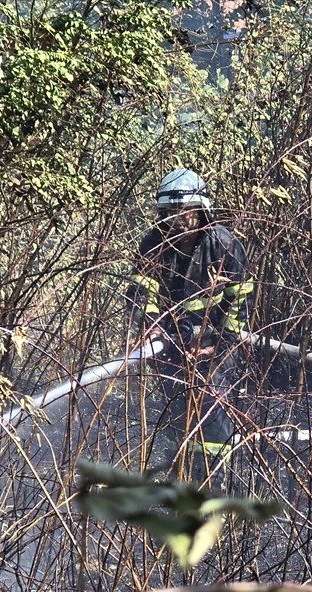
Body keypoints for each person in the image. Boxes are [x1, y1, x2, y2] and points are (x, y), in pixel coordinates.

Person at [127, 168, 254, 483]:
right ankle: (179, 480)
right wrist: (151, 326)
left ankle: (213, 483)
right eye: (170, 212)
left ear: (202, 211)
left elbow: (240, 302)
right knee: (176, 414)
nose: (178, 220)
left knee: (212, 414)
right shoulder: (153, 245)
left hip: (216, 350)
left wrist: (218, 346)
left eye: (185, 211)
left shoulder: (224, 245)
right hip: (170, 347)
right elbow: (141, 293)